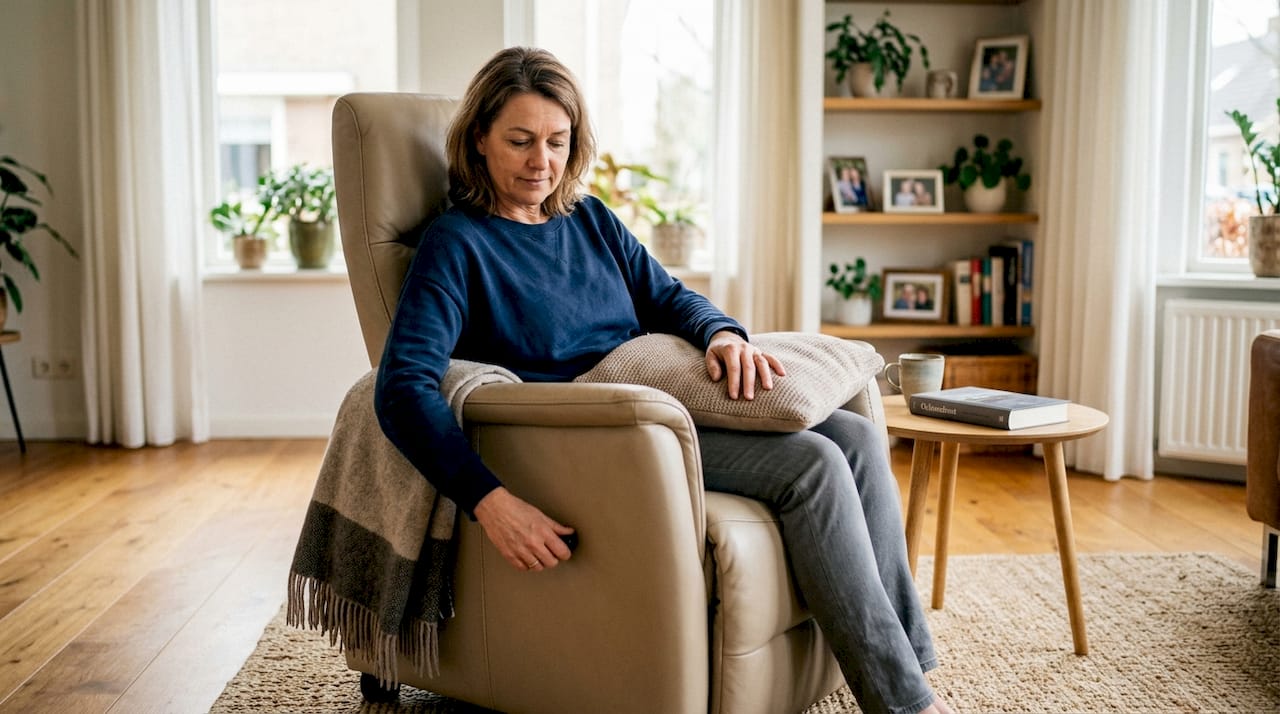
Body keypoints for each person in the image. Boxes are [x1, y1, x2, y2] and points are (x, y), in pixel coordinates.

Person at [374, 47, 953, 714]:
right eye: (520, 141)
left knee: (852, 434)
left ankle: (906, 670)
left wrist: (723, 334)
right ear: (479, 141)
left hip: (662, 407)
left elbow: (673, 298)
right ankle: (906, 707)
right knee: (813, 465)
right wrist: (488, 498)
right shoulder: (459, 244)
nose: (542, 162)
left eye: (558, 142)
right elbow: (402, 386)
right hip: (594, 440)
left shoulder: (588, 220)